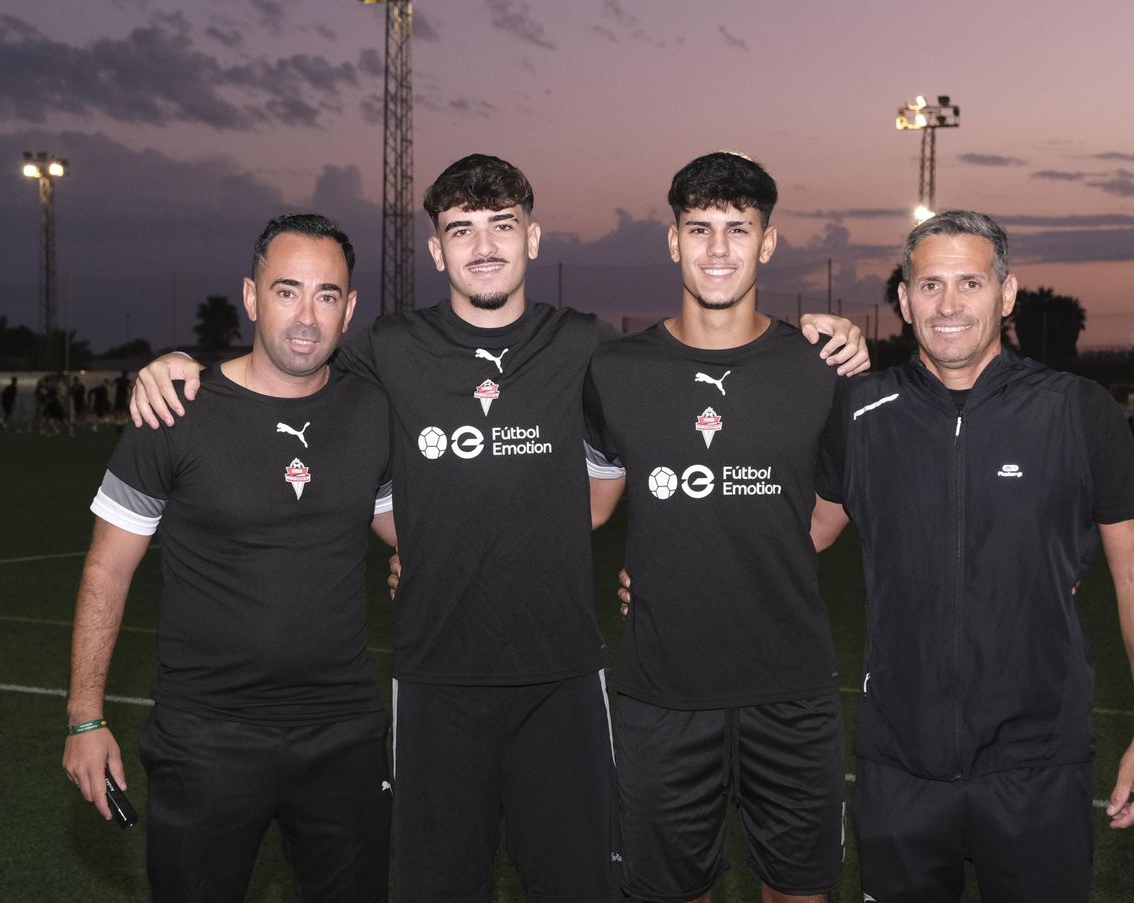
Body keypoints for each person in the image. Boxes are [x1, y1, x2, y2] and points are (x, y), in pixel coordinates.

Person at [130, 155, 869, 902]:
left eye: (501, 226)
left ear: (533, 237)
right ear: (435, 249)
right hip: (435, 677)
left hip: (564, 677)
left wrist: (832, 333)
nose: (483, 246)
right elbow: (289, 356)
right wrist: (179, 365)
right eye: (461, 229)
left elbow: (613, 483)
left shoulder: (589, 347)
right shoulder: (388, 346)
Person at [815, 211, 1134, 901]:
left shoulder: (1075, 410)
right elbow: (800, 535)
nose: (948, 305)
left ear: (1007, 294)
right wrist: (679, 571)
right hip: (899, 767)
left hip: (1037, 765)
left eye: (971, 283)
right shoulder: (862, 413)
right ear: (903, 299)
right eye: (930, 285)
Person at [62, 213, 396, 902]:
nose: (307, 315)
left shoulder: (373, 412)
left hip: (344, 734)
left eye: (327, 295)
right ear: (250, 297)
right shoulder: (176, 410)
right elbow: (107, 568)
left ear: (351, 308)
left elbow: (406, 527)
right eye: (287, 291)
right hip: (206, 736)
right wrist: (85, 717)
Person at [583, 152, 846, 903]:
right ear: (672, 241)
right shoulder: (616, 370)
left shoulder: (820, 366)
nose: (720, 249)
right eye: (699, 228)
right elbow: (589, 502)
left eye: (740, 228)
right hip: (662, 695)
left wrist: (753, 565)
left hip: (790, 690)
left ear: (769, 241)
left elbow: (835, 504)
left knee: (798, 891)